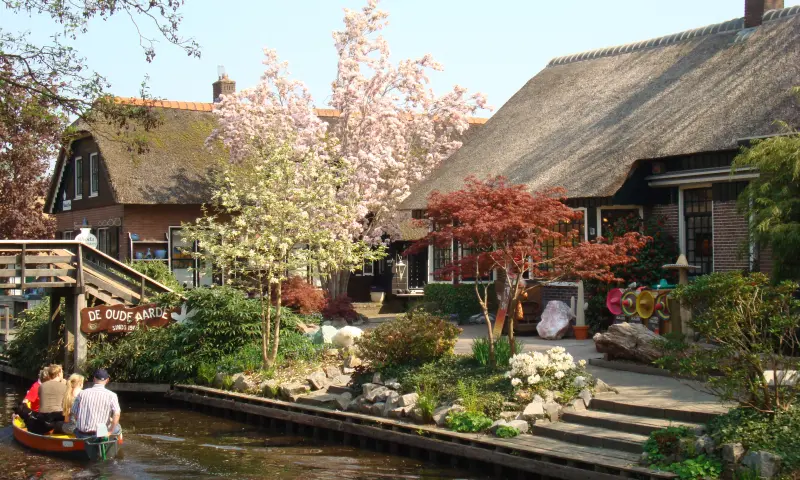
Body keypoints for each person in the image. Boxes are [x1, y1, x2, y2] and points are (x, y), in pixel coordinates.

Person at [71, 369, 121, 439]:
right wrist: (110, 431)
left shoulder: (81, 393)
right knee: (118, 427)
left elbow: (74, 411)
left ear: (94, 379)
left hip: (81, 434)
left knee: (76, 429)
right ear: (107, 380)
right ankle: (113, 443)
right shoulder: (112, 395)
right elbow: (117, 414)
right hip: (100, 435)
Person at [26, 364, 68, 434]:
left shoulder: (41, 386)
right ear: (59, 374)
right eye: (62, 372)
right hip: (56, 418)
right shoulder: (64, 387)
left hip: (42, 418)